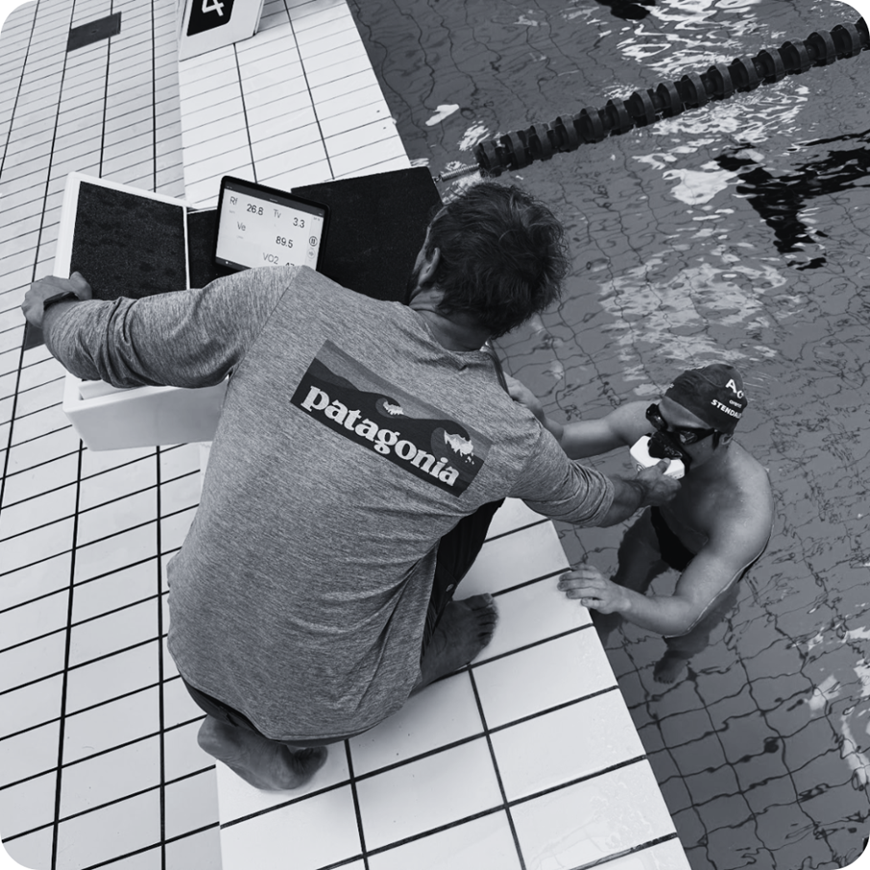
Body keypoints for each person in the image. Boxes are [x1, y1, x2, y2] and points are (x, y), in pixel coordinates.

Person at [23, 182, 678, 790]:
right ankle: (349, 710)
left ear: (426, 259)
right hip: (325, 711)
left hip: (192, 649)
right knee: (479, 494)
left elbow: (104, 344)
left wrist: (53, 309)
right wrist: (647, 491)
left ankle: (243, 727)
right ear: (515, 322)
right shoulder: (508, 436)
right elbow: (596, 502)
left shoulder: (283, 298)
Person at [508, 363, 774, 681]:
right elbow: (564, 441)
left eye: (686, 434)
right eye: (660, 419)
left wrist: (622, 599)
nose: (663, 439)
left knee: (689, 632)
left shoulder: (744, 512)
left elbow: (686, 610)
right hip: (657, 531)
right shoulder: (644, 424)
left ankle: (678, 657)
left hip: (710, 554)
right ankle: (600, 638)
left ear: (725, 439)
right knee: (620, 587)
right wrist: (538, 416)